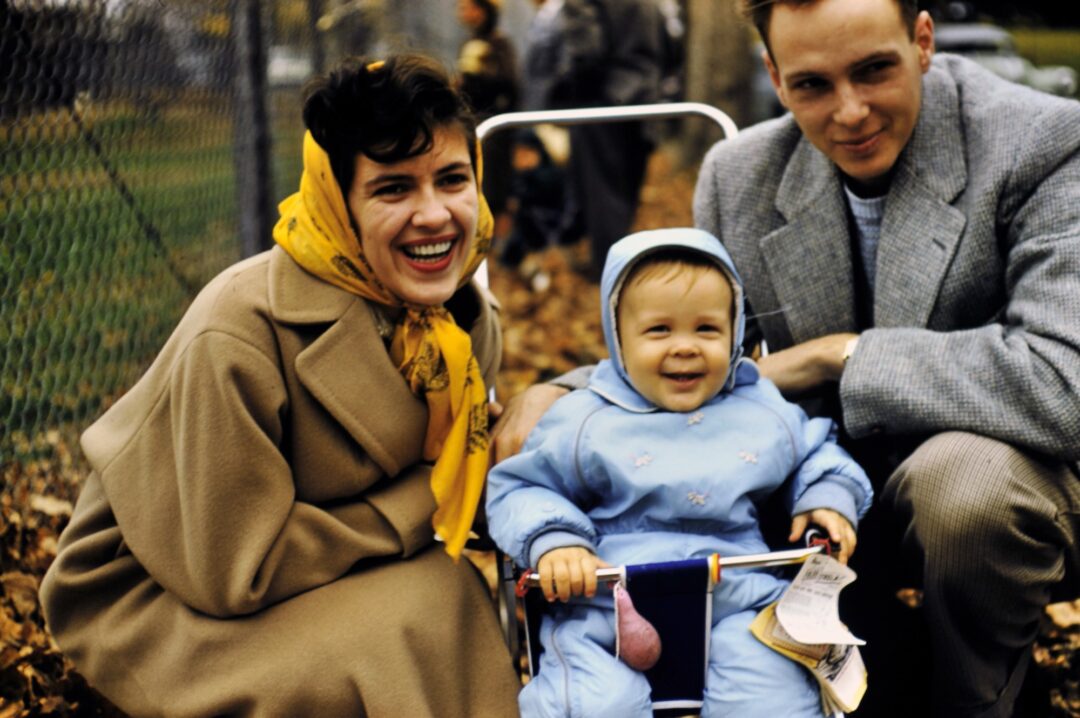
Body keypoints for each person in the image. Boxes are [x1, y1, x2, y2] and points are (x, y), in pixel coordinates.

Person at [493, 0, 1080, 715]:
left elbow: (1063, 379)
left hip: (1002, 488)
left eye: (874, 71)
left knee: (962, 485)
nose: (851, 111)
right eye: (812, 85)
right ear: (773, 74)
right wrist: (567, 390)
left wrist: (840, 357)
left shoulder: (1040, 140)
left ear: (922, 41)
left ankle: (978, 698)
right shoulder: (740, 174)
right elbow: (706, 352)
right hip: (818, 503)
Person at [39, 54, 521, 717]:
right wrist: (427, 504)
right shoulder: (240, 328)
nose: (434, 215)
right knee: (419, 614)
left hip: (327, 558)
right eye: (393, 189)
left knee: (453, 595)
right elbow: (233, 571)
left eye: (452, 179)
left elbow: (481, 454)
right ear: (339, 204)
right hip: (166, 590)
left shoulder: (457, 321)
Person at [487, 228, 873, 717]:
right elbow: (520, 485)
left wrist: (828, 495)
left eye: (707, 330)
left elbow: (816, 450)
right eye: (659, 331)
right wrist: (556, 540)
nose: (685, 347)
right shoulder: (584, 419)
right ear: (618, 340)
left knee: (770, 685)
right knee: (594, 699)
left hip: (738, 592)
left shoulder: (759, 408)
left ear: (734, 334)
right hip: (607, 600)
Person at [456, 0, 519, 223]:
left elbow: (510, 87)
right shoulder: (472, 42)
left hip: (495, 130)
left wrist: (479, 74)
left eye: (468, 8)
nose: (463, 14)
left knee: (496, 189)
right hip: (473, 125)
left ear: (483, 10)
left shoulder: (498, 43)